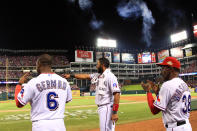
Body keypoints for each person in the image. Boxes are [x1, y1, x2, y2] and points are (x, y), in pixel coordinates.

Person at [15, 54, 72, 131]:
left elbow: (19, 103)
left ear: (39, 64)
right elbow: (67, 100)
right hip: (59, 125)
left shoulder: (33, 82)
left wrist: (19, 85)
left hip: (40, 125)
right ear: (50, 65)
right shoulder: (64, 81)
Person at [64, 57, 120, 131]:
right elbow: (85, 76)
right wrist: (71, 76)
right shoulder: (98, 75)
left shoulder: (110, 76)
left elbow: (117, 94)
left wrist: (115, 112)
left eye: (98, 64)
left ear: (102, 65)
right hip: (102, 108)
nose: (96, 66)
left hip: (107, 107)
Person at [141, 57, 192, 131]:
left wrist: (148, 92)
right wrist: (158, 93)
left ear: (170, 69)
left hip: (175, 128)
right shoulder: (184, 84)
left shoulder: (167, 85)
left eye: (163, 68)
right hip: (186, 126)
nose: (161, 72)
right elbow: (173, 102)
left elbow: (154, 110)